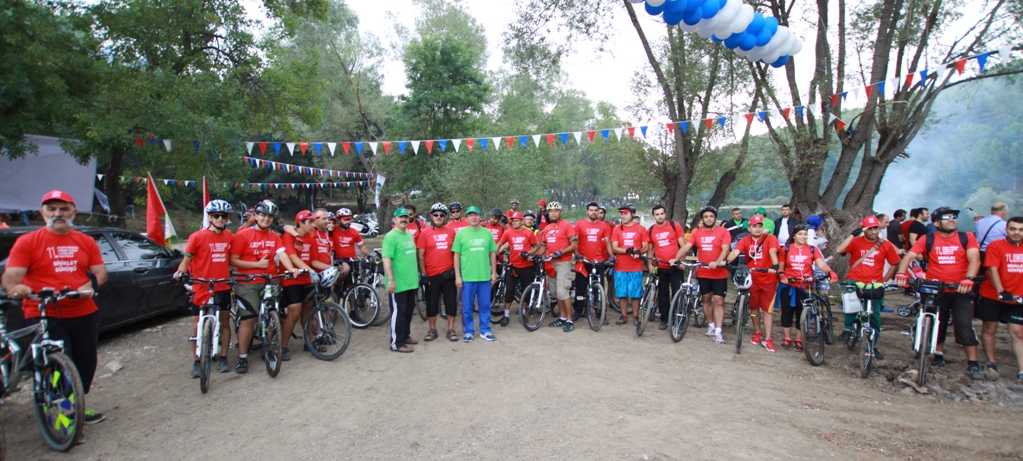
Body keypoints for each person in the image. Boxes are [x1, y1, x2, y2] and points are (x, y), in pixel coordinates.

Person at [2, 190, 109, 424]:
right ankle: (65, 417)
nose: (57, 213)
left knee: (85, 363)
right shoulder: (28, 242)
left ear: (73, 211)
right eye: (51, 209)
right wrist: (15, 288)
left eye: (63, 208)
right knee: (58, 365)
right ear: (43, 213)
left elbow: (100, 273)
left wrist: (88, 286)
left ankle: (77, 405)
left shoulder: (85, 241)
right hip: (44, 312)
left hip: (84, 311)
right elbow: (11, 276)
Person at [895, 206, 983, 380]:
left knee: (963, 324)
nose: (952, 219)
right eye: (946, 217)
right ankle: (938, 355)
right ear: (936, 223)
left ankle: (973, 362)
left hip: (961, 289)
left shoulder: (967, 237)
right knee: (938, 324)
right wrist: (901, 273)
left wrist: (969, 278)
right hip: (936, 289)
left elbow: (975, 260)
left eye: (954, 217)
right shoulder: (928, 239)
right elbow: (909, 256)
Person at [228, 201, 299, 373]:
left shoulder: (274, 237)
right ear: (256, 216)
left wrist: (292, 269)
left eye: (270, 217)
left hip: (270, 279)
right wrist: (257, 265)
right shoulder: (243, 235)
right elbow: (232, 260)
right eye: (263, 215)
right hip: (248, 281)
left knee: (272, 314)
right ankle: (242, 356)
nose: (266, 219)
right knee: (249, 318)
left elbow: (282, 254)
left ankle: (268, 346)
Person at [174, 199, 235, 375]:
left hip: (223, 285)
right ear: (210, 217)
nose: (220, 219)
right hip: (201, 286)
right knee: (196, 324)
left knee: (225, 322)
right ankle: (196, 361)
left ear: (227, 218)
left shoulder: (229, 236)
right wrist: (180, 272)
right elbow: (186, 260)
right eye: (216, 215)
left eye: (223, 216)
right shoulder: (197, 236)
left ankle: (223, 358)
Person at [834, 215, 901, 359]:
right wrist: (853, 234)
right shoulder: (856, 241)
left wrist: (884, 281)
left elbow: (895, 264)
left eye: (876, 228)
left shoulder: (885, 245)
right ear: (864, 229)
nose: (873, 231)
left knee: (875, 316)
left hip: (875, 283)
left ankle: (871, 345)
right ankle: (848, 328)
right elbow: (839, 250)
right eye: (870, 229)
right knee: (851, 302)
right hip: (855, 278)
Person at [279, 210, 330, 361]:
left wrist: (330, 268)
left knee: (308, 312)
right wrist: (311, 271)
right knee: (294, 312)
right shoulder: (288, 236)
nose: (313, 225)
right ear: (300, 223)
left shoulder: (310, 237)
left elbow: (314, 261)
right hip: (292, 279)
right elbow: (293, 258)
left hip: (307, 279)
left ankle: (310, 342)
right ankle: (283, 346)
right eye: (310, 222)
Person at [976, 216, 1023, 382]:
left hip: (1018, 298)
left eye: (1021, 230)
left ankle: (1022, 369)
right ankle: (991, 361)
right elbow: (992, 269)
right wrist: (1001, 291)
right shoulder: (995, 245)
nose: (1017, 232)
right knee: (990, 328)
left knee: (1018, 333)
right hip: (992, 295)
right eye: (1013, 229)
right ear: (1006, 230)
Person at [778, 224, 837, 352]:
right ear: (794, 236)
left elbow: (821, 264)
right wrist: (782, 274)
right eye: (800, 234)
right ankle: (787, 338)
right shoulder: (786, 249)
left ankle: (799, 339)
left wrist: (830, 272)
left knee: (801, 313)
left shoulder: (812, 249)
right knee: (787, 312)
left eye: (805, 234)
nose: (803, 237)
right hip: (789, 284)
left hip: (805, 286)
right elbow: (781, 267)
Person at [725, 215, 780, 351]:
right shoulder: (745, 240)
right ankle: (757, 332)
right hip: (752, 279)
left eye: (760, 226)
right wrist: (726, 261)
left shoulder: (771, 238)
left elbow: (773, 251)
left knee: (767, 310)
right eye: (754, 226)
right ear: (749, 228)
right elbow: (736, 251)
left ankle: (768, 338)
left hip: (768, 279)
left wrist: (775, 265)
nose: (757, 229)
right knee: (754, 308)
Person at [679, 206, 731, 344]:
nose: (709, 219)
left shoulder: (723, 232)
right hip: (703, 272)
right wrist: (676, 258)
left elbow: (725, 249)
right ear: (702, 219)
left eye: (711, 216)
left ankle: (719, 331)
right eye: (706, 216)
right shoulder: (697, 232)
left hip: (719, 273)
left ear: (715, 218)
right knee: (706, 299)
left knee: (719, 300)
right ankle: (711, 325)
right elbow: (687, 246)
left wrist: (717, 262)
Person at [452, 206, 498, 342]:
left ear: (480, 217)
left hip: (484, 276)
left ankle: (485, 330)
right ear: (466, 218)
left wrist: (493, 273)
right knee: (467, 307)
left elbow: (492, 254)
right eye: (470, 215)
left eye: (476, 214)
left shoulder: (487, 233)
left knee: (485, 305)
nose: (474, 217)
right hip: (467, 277)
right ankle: (468, 331)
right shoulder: (461, 234)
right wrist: (458, 276)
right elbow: (456, 256)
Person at [417, 203, 459, 341]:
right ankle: (432, 330)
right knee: (432, 303)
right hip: (432, 275)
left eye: (441, 215)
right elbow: (421, 255)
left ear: (445, 217)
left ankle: (451, 329)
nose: (438, 217)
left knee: (450, 303)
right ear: (431, 216)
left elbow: (456, 253)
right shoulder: (425, 233)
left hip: (448, 274)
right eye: (436, 214)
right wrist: (423, 274)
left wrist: (456, 271)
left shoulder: (451, 232)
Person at [383, 208, 420, 353]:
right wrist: (391, 280)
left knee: (408, 311)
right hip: (398, 283)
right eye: (400, 217)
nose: (404, 219)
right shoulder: (391, 236)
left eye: (406, 217)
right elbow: (386, 259)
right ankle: (396, 343)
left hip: (411, 281)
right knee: (398, 313)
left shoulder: (408, 235)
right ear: (395, 220)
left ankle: (405, 336)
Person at [538, 201, 579, 332]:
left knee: (563, 292)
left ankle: (570, 320)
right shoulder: (547, 228)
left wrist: (561, 251)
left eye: (556, 211)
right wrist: (533, 255)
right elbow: (543, 247)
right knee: (555, 293)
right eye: (551, 211)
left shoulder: (567, 225)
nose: (553, 213)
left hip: (563, 262)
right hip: (551, 263)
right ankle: (562, 317)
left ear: (560, 212)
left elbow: (574, 245)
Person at [497, 211, 539, 326]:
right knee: (509, 291)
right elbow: (500, 244)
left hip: (527, 267)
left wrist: (528, 252)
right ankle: (506, 315)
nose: (514, 222)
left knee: (526, 291)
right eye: (512, 220)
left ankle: (523, 314)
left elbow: (536, 246)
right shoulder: (508, 232)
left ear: (522, 221)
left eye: (517, 220)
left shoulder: (529, 233)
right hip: (513, 266)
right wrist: (494, 254)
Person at [610, 204, 649, 327]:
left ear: (632, 214)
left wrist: (639, 252)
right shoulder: (617, 229)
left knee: (635, 293)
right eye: (621, 214)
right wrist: (627, 251)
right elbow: (614, 247)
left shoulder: (641, 229)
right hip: (620, 265)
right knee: (621, 292)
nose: (623, 216)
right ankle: (624, 314)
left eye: (625, 213)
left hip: (635, 266)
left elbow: (645, 246)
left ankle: (635, 316)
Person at [647, 204, 686, 331]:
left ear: (665, 214)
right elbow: (650, 250)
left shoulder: (675, 226)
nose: (660, 216)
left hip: (675, 267)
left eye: (662, 214)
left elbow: (683, 246)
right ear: (653, 216)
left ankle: (677, 320)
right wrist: (650, 265)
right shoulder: (651, 230)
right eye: (657, 214)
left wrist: (682, 262)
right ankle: (664, 319)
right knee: (662, 295)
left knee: (677, 294)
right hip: (661, 266)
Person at [574, 202, 612, 323]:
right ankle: (578, 311)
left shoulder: (604, 225)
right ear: (587, 211)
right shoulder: (579, 224)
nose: (594, 212)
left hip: (598, 261)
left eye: (596, 210)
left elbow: (608, 242)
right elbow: (575, 241)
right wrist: (577, 254)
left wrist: (611, 256)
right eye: (591, 210)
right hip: (583, 261)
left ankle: (600, 312)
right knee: (580, 287)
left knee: (598, 289)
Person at [332, 208, 369, 281]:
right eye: (345, 220)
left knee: (353, 281)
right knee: (346, 270)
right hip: (339, 260)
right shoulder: (333, 231)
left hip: (352, 259)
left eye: (349, 219)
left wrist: (368, 255)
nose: (348, 222)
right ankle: (337, 285)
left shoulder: (354, 232)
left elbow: (362, 246)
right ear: (339, 220)